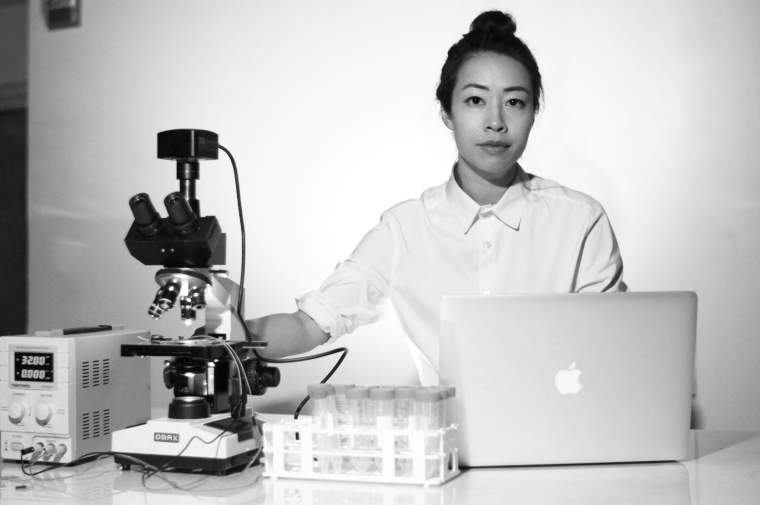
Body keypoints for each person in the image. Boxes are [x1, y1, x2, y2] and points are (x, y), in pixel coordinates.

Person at [246, 10, 627, 385]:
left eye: (514, 102)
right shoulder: (405, 229)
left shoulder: (580, 220)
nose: (495, 121)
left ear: (533, 112)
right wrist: (224, 337)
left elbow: (616, 350)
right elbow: (311, 323)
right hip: (446, 442)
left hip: (561, 438)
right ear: (447, 112)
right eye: (475, 100)